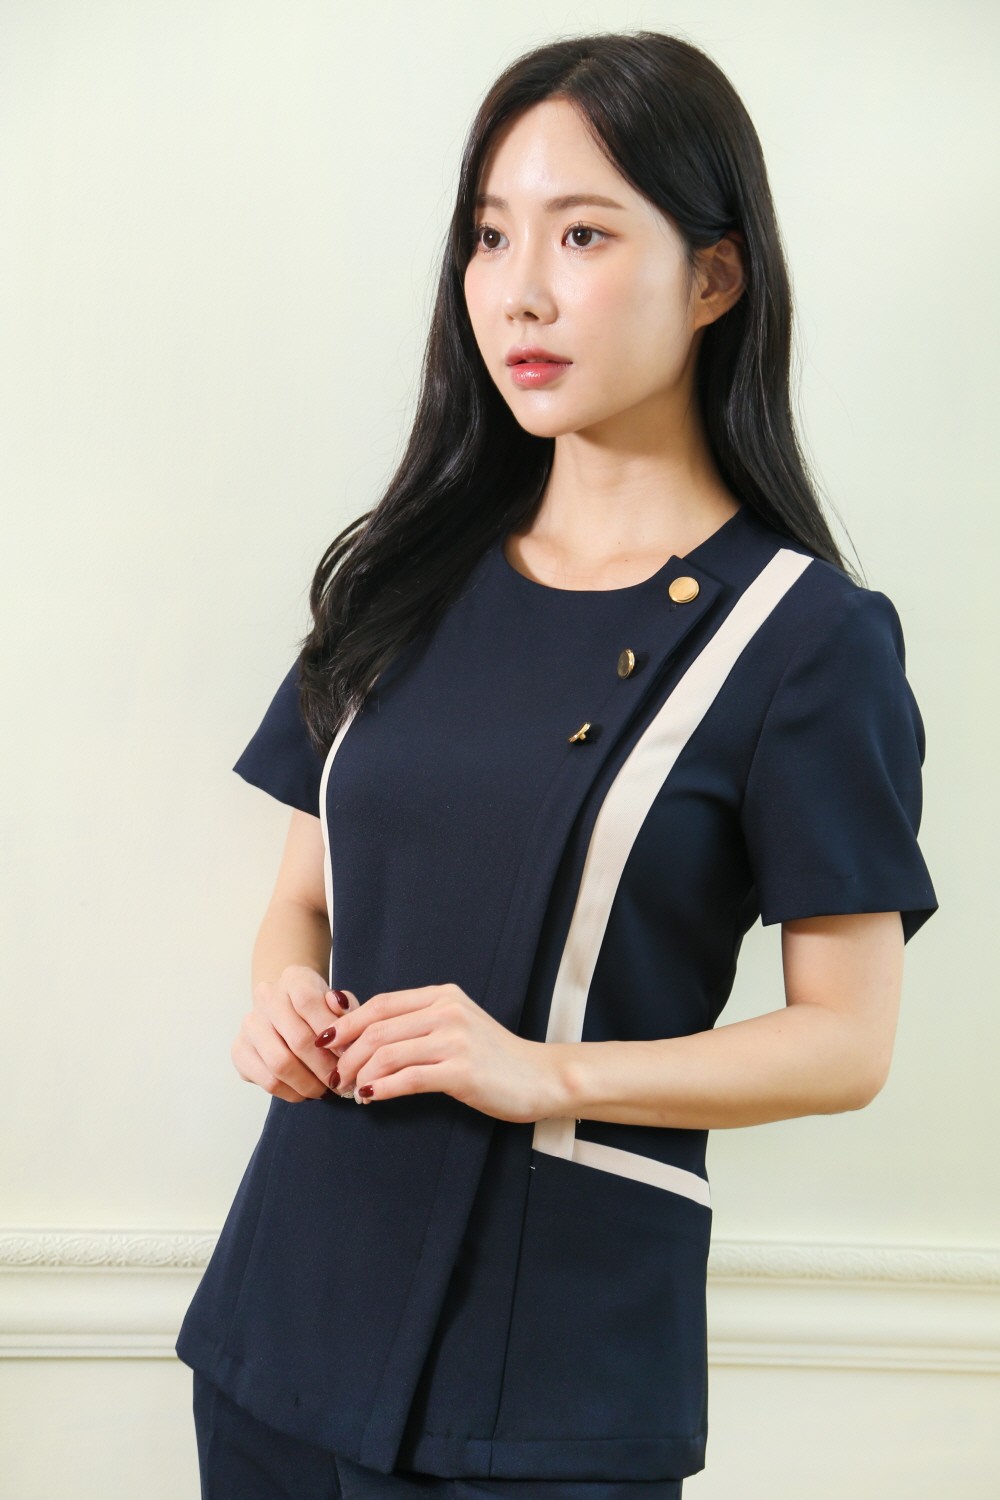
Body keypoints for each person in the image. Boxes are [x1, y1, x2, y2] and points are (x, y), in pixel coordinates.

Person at [175, 29, 938, 1499]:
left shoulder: (805, 639)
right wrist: (280, 997)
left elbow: (847, 1044)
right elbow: (303, 901)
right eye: (490, 235)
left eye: (583, 234)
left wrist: (542, 1072)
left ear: (715, 278)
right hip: (284, 1319)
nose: (518, 289)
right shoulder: (400, 575)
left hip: (551, 1379)